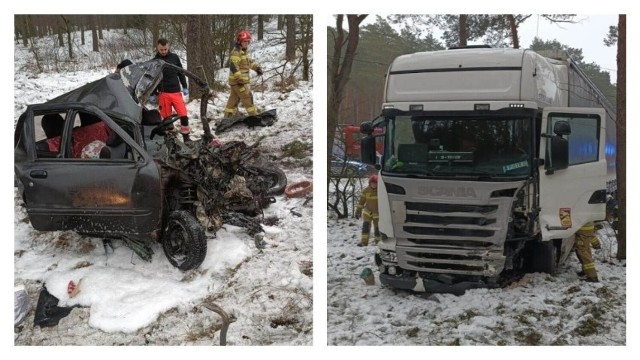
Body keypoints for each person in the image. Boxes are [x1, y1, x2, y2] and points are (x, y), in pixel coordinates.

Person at [152, 38, 190, 142]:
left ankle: (186, 138)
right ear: (157, 48)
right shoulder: (155, 61)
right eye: (161, 50)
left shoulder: (174, 57)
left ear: (168, 47)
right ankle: (171, 139)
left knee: (183, 115)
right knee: (167, 119)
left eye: (165, 49)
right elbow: (152, 79)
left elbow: (181, 72)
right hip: (163, 94)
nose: (163, 51)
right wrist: (153, 93)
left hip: (176, 92)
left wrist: (185, 86)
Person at [223, 30, 263, 118]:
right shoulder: (236, 52)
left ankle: (227, 117)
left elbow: (249, 63)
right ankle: (254, 117)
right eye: (245, 41)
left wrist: (257, 68)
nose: (247, 43)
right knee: (247, 98)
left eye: (248, 41)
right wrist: (239, 79)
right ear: (240, 41)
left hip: (236, 82)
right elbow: (234, 67)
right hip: (239, 82)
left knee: (233, 100)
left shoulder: (243, 52)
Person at [355, 175, 380, 247]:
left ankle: (378, 243)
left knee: (378, 229)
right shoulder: (366, 191)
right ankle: (364, 242)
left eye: (375, 183)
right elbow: (361, 202)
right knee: (365, 227)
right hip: (367, 212)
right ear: (370, 183)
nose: (374, 184)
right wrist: (358, 211)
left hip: (378, 214)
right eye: (372, 183)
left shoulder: (381, 191)